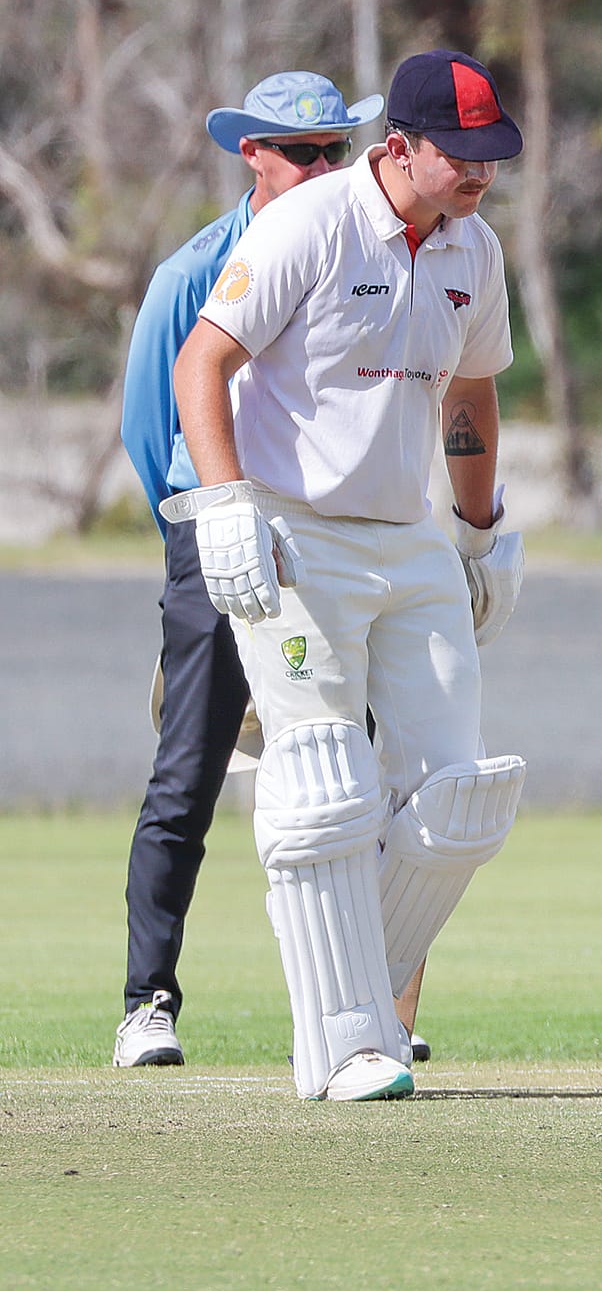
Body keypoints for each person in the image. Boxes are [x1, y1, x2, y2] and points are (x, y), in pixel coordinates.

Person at [167, 48, 529, 1101]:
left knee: (459, 798)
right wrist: (226, 506)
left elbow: (471, 394)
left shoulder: (474, 249)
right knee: (326, 785)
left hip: (408, 534)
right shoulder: (310, 224)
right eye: (459, 154)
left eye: (491, 156)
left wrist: (477, 532)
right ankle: (349, 1046)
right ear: (400, 146)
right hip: (297, 531)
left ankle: (348, 1006)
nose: (479, 173)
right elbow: (202, 362)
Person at [114, 71, 383, 1070]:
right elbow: (153, 421)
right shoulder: (195, 268)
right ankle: (147, 1002)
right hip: (217, 529)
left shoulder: (360, 251)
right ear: (252, 155)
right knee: (188, 771)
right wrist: (197, 528)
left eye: (334, 151)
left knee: (345, 770)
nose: (321, 168)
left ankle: (361, 1007)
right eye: (300, 152)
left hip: (324, 533)